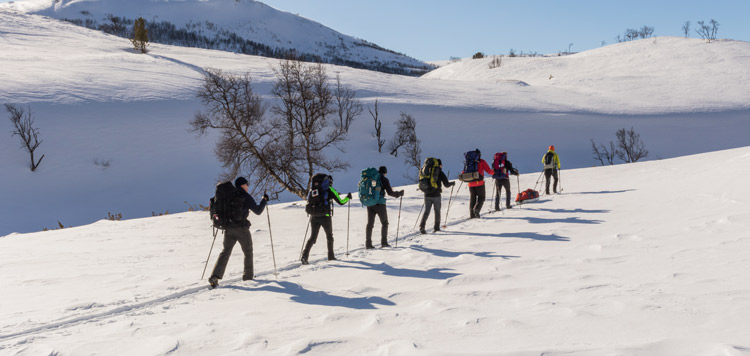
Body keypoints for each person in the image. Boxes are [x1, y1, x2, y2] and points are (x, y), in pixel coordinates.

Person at [208, 177, 268, 289]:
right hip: (241, 229)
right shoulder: (244, 196)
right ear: (242, 185)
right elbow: (258, 211)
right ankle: (248, 277)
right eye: (246, 184)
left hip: (228, 229)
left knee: (225, 252)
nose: (248, 186)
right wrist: (264, 200)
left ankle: (215, 276)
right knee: (248, 251)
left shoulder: (229, 195)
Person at [301, 175, 351, 265]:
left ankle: (304, 256)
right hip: (325, 216)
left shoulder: (312, 190)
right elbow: (341, 202)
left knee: (312, 237)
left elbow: (309, 200)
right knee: (329, 236)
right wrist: (348, 197)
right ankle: (331, 256)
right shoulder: (329, 190)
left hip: (314, 216)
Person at [364, 166, 404, 249]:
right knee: (384, 223)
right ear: (384, 172)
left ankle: (368, 244)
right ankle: (384, 242)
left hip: (370, 203)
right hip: (380, 204)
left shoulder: (372, 179)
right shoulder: (384, 180)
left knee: (370, 224)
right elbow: (390, 192)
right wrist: (399, 194)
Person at [419, 159, 455, 234]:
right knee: (437, 211)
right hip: (436, 195)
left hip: (427, 194)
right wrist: (452, 183)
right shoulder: (439, 172)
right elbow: (446, 184)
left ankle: (422, 226)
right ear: (439, 165)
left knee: (426, 211)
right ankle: (436, 227)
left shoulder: (426, 171)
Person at [467, 149, 494, 218]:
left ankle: (472, 215)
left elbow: (464, 172)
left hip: (470, 183)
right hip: (479, 183)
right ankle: (477, 209)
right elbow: (489, 171)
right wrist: (494, 172)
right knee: (481, 198)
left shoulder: (468, 162)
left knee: (472, 199)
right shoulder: (481, 161)